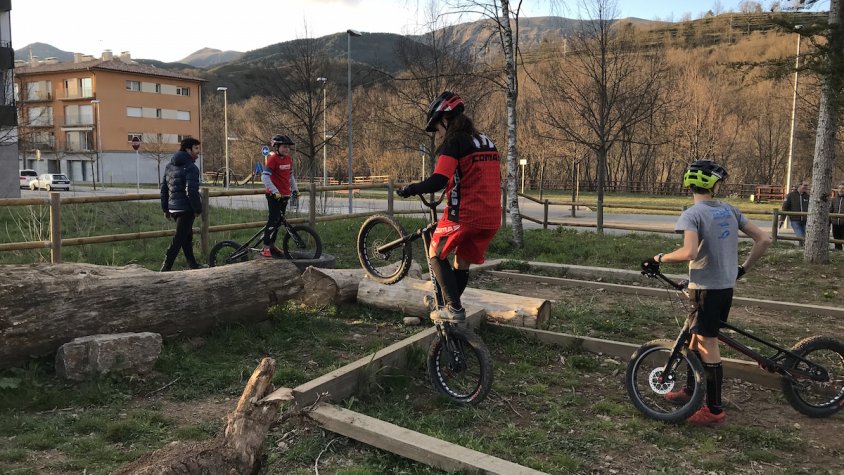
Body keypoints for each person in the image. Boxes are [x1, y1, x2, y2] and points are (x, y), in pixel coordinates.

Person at [645, 160, 772, 426]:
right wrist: (743, 269)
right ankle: (692, 392)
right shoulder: (730, 210)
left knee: (707, 344)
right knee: (695, 338)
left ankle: (714, 410)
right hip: (724, 285)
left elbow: (689, 253)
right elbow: (764, 239)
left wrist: (659, 257)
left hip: (706, 289)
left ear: (690, 183)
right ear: (712, 185)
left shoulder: (693, 213)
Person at [396, 91, 501, 323]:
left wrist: (410, 189)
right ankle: (448, 308)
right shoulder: (486, 142)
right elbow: (483, 177)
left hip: (465, 215)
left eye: (437, 127)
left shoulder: (454, 143)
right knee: (460, 263)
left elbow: (438, 180)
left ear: (445, 119)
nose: (438, 133)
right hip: (491, 217)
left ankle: (454, 309)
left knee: (435, 252)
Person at [160, 138, 205, 271]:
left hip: (173, 208)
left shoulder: (169, 166)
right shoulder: (192, 168)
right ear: (188, 149)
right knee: (179, 238)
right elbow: (191, 190)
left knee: (186, 237)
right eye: (196, 148)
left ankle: (193, 265)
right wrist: (197, 208)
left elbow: (164, 189)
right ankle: (166, 267)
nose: (198, 152)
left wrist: (165, 208)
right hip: (186, 208)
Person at [260, 134, 298, 258]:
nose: (286, 149)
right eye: (284, 147)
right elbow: (264, 176)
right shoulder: (273, 159)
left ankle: (271, 245)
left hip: (284, 195)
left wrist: (295, 190)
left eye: (287, 147)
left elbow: (290, 176)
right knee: (273, 220)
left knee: (278, 222)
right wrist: (275, 191)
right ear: (276, 147)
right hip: (273, 196)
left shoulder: (288, 159)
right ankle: (265, 247)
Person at [781, 180, 811, 245]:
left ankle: (803, 250)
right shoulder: (790, 195)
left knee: (807, 238)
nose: (806, 187)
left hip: (806, 221)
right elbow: (785, 208)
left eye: (807, 185)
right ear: (799, 185)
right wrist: (782, 220)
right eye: (805, 185)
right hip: (795, 220)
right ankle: (802, 249)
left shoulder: (808, 196)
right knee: (801, 237)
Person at [831, 182, 844, 251]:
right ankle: (838, 254)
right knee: (836, 241)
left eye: (843, 188)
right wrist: (829, 222)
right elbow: (831, 211)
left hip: (843, 224)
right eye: (839, 188)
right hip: (835, 224)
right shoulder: (834, 199)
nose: (841, 190)